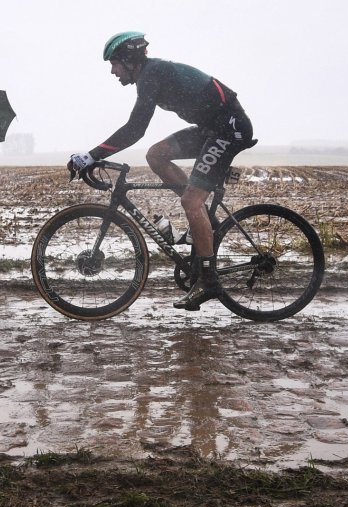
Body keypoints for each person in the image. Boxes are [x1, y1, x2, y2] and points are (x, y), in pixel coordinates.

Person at [68, 32, 255, 312]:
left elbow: (135, 128)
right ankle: (200, 223)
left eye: (114, 63)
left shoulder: (153, 74)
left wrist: (93, 155)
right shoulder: (150, 76)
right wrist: (95, 154)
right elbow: (139, 132)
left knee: (191, 201)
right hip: (212, 127)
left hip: (229, 128)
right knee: (156, 155)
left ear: (129, 60)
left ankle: (208, 281)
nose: (112, 70)